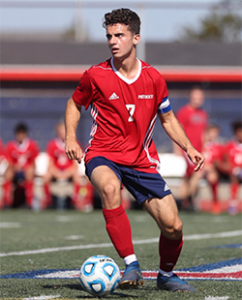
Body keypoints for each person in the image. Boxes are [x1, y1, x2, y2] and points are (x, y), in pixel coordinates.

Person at [65, 8, 204, 292]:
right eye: (109, 36)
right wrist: (71, 138)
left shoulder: (154, 79)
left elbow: (167, 118)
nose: (113, 41)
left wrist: (188, 146)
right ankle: (131, 263)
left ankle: (165, 276)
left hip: (141, 160)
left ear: (136, 38)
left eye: (120, 35)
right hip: (103, 153)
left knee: (173, 226)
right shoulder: (96, 75)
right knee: (110, 189)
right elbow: (73, 104)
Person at [42, 121, 91, 210]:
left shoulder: (74, 144)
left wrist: (67, 173)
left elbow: (75, 164)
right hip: (56, 171)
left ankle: (77, 201)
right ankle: (47, 201)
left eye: (64, 130)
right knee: (46, 176)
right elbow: (50, 164)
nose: (62, 132)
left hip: (69, 171)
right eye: (61, 130)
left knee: (78, 177)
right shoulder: (52, 145)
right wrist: (57, 173)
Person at [175, 87, 208, 210]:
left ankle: (184, 201)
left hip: (199, 150)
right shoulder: (184, 112)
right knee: (198, 173)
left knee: (189, 176)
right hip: (188, 149)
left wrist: (205, 147)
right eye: (195, 97)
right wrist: (178, 148)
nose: (197, 100)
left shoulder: (203, 114)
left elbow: (203, 132)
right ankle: (187, 199)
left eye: (200, 97)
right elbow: (178, 130)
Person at [2, 123, 39, 208]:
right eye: (18, 133)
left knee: (29, 172)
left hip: (27, 171)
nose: (20, 135)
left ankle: (29, 202)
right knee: (8, 174)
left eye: (22, 133)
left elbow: (33, 163)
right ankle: (7, 202)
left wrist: (27, 168)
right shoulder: (10, 146)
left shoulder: (32, 145)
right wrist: (15, 167)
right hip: (15, 170)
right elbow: (9, 162)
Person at [203, 124, 224, 214]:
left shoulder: (218, 146)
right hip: (199, 169)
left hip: (211, 171)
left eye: (215, 133)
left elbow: (219, 162)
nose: (213, 135)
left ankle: (215, 201)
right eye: (211, 132)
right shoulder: (201, 145)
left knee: (212, 176)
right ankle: (187, 202)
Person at [224, 121, 242, 215]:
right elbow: (225, 161)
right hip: (233, 172)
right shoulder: (230, 145)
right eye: (238, 132)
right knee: (235, 175)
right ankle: (233, 203)